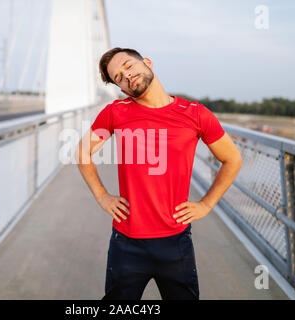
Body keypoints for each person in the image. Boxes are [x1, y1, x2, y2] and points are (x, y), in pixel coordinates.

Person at [76, 47, 242, 300]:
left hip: (176, 242)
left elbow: (232, 159)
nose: (126, 76)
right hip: (127, 242)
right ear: (121, 89)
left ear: (147, 63)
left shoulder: (195, 114)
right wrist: (102, 196)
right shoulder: (115, 112)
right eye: (118, 77)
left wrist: (206, 204)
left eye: (128, 66)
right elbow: (82, 152)